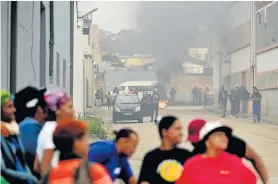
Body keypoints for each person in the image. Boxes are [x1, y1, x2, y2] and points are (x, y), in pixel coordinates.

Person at [188, 119, 269, 184]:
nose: (194, 144)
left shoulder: (234, 145)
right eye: (193, 142)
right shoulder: (194, 158)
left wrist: (266, 181)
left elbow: (254, 158)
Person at [39, 118, 113, 184]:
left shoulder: (50, 175)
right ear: (77, 143)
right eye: (86, 140)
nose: (88, 145)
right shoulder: (94, 172)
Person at [138, 115, 191, 184]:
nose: (181, 133)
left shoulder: (186, 155)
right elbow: (144, 181)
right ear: (164, 131)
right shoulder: (151, 157)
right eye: (177, 129)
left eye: (181, 129)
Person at [1, 90, 38, 184]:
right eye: (9, 107)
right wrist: (28, 177)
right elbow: (3, 170)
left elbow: (23, 162)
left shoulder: (14, 131)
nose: (14, 110)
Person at [34, 90, 74, 176]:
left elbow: (37, 166)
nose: (73, 111)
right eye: (70, 107)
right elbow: (45, 168)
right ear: (57, 110)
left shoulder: (47, 128)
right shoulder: (53, 131)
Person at [14, 86, 47, 179]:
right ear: (37, 109)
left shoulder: (27, 126)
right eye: (42, 105)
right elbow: (40, 159)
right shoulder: (29, 127)